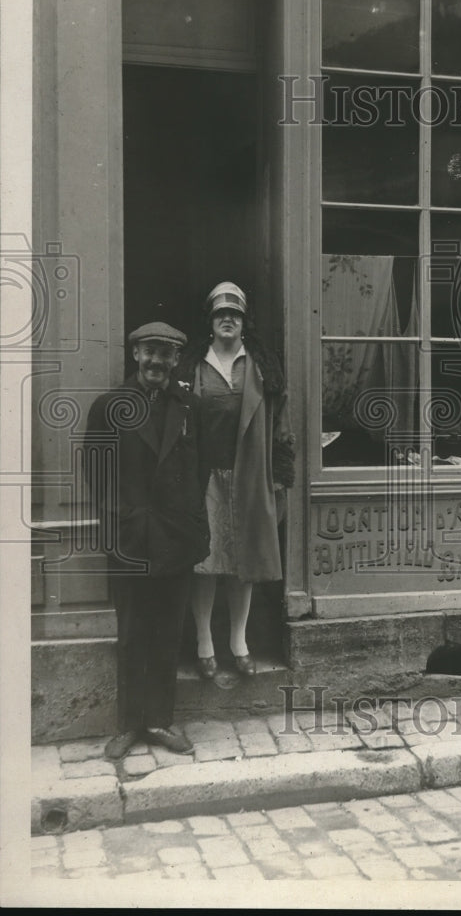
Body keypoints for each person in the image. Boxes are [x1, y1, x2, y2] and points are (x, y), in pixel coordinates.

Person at [84, 322, 210, 760]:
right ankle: (127, 725)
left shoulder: (191, 407)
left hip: (174, 538)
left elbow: (202, 468)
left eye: (166, 354)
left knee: (168, 630)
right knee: (132, 631)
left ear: (177, 360)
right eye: (149, 352)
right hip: (129, 538)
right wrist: (120, 519)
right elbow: (95, 473)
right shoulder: (108, 406)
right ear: (135, 355)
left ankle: (160, 720)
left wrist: (186, 516)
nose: (157, 361)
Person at [178, 282, 295, 679]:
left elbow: (282, 427)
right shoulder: (192, 366)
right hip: (204, 477)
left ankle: (239, 642)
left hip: (249, 476)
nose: (228, 320)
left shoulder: (262, 368)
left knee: (243, 560)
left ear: (245, 323)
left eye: (236, 314)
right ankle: (204, 644)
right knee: (205, 563)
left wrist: (280, 477)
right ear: (210, 322)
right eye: (220, 314)